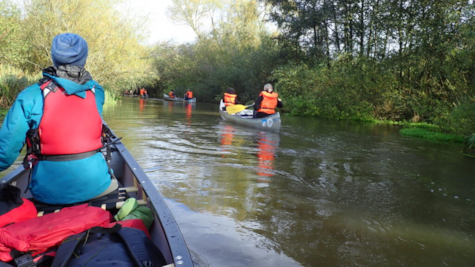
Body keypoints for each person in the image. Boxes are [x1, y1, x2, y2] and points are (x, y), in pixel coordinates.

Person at [0, 33, 117, 205]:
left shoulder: (31, 95)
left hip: (49, 194)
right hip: (99, 187)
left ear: (54, 58)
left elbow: (5, 153)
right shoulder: (97, 91)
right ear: (84, 58)